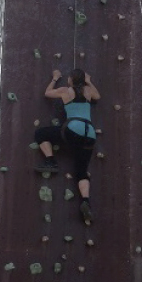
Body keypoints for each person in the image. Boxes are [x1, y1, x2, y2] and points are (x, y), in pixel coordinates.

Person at [34, 68, 100, 224]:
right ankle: (85, 201)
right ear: (83, 80)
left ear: (70, 79)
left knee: (41, 134)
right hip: (89, 134)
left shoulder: (65, 91)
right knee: (81, 171)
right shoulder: (88, 90)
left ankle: (50, 160)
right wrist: (89, 81)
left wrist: (55, 78)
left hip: (72, 130)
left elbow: (47, 93)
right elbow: (98, 96)